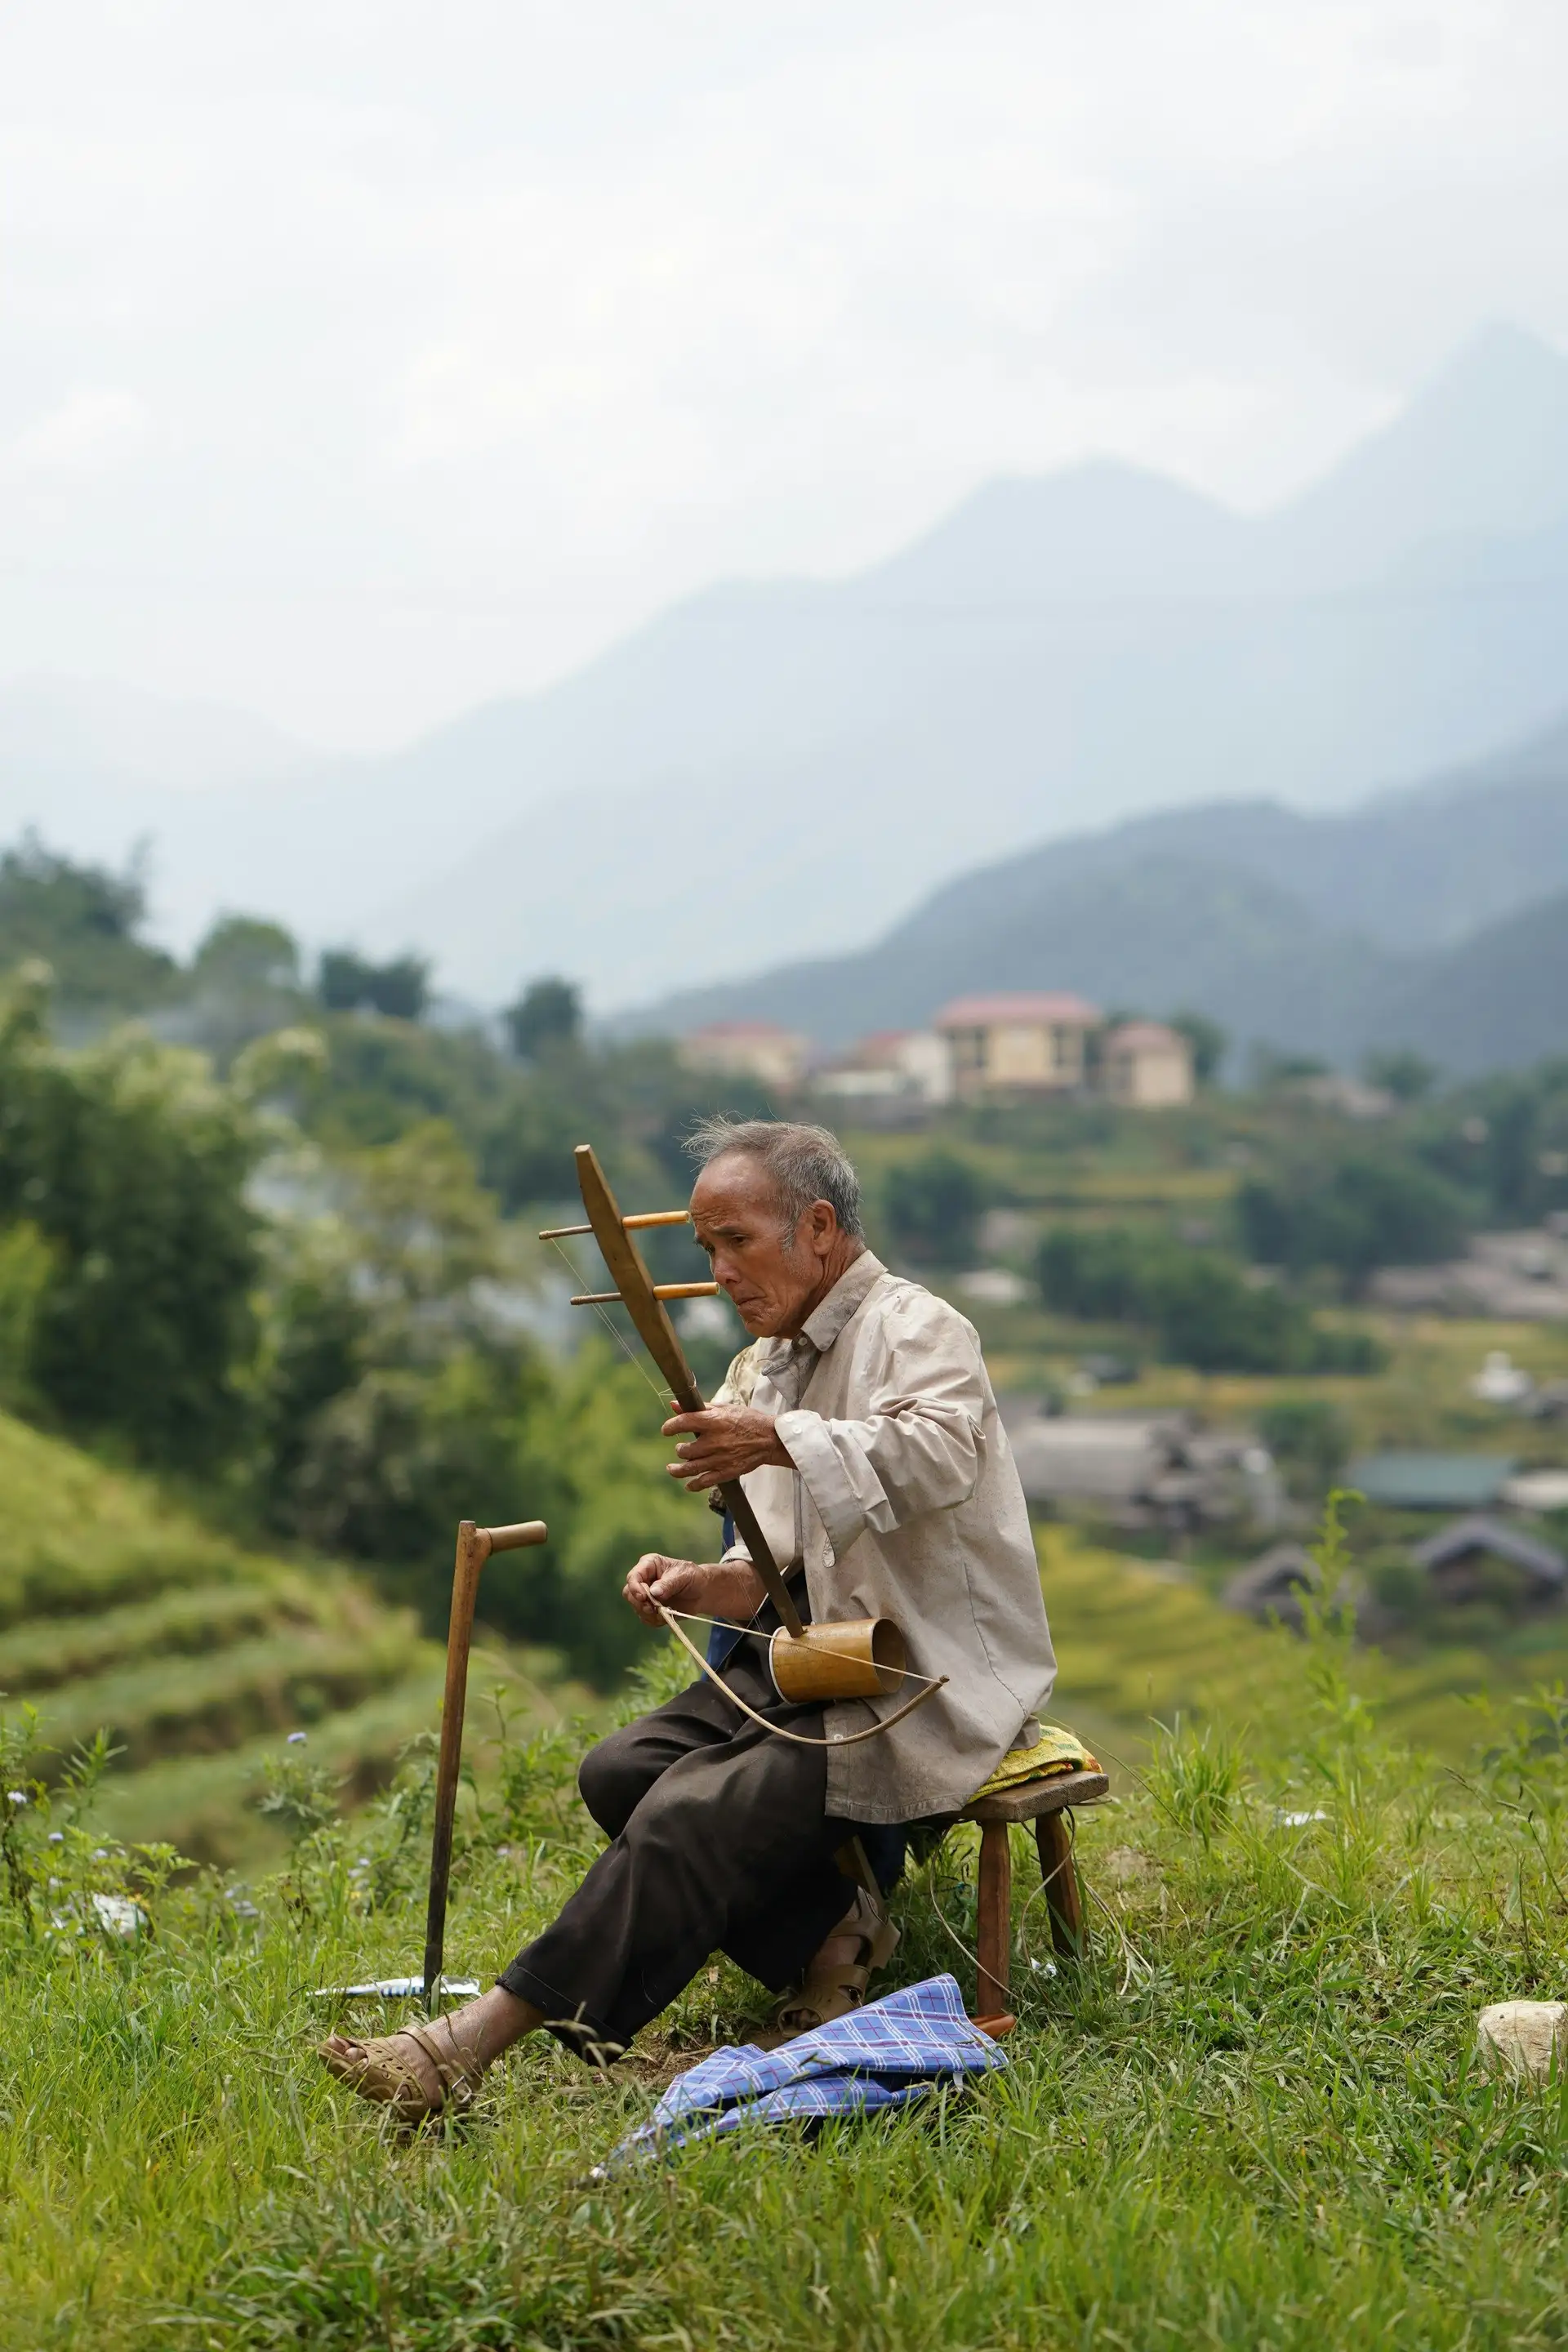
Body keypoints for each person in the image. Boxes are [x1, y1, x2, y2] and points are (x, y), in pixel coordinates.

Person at [320, 1117, 1056, 2121]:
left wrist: (776, 1438)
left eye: (737, 1242)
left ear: (821, 1228)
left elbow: (937, 1459)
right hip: (810, 1664)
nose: (717, 1274)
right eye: (705, 1248)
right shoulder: (765, 1366)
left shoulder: (918, 1329)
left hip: (920, 1676)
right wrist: (701, 1582)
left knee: (687, 1815)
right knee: (617, 1773)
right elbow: (781, 1571)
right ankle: (832, 1940)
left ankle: (465, 2043)